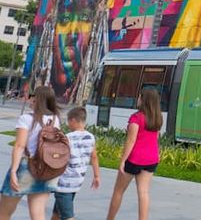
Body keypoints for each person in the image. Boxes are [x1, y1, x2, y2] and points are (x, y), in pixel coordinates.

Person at [0, 86, 61, 220]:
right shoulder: (55, 119)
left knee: (4, 213)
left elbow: (20, 145)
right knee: (38, 214)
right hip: (47, 168)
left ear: (37, 99)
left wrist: (13, 171)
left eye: (32, 96)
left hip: (26, 167)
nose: (30, 99)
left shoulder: (26, 119)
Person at [106, 88, 161, 220]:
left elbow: (131, 141)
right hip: (151, 159)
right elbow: (156, 138)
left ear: (143, 100)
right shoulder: (157, 119)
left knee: (118, 191)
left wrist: (123, 161)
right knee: (144, 192)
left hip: (134, 159)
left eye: (139, 97)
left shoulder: (136, 118)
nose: (138, 99)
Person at [51, 107, 100, 220]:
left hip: (64, 184)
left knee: (68, 216)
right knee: (57, 214)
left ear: (73, 120)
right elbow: (94, 157)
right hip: (76, 183)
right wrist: (97, 176)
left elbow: (57, 156)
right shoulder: (91, 137)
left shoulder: (67, 138)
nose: (68, 124)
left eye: (68, 121)